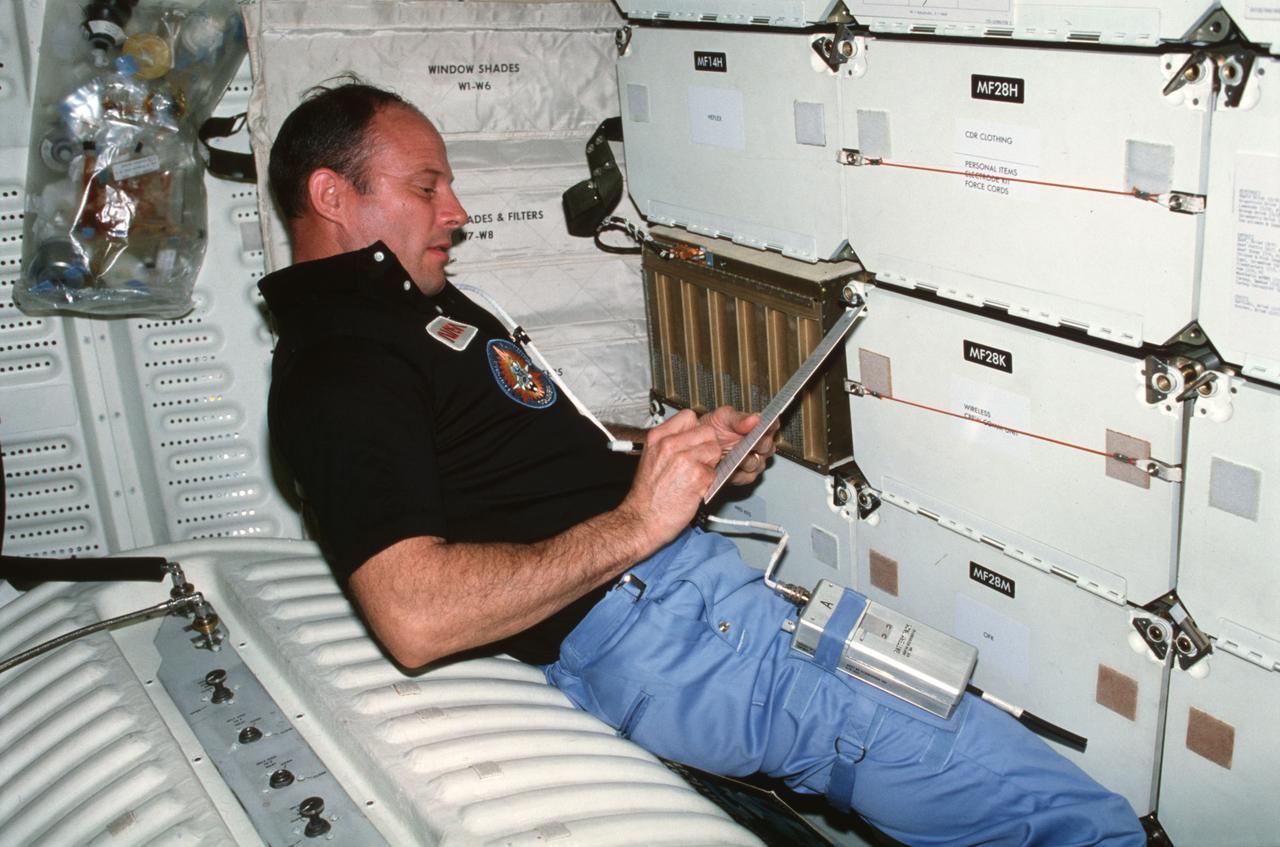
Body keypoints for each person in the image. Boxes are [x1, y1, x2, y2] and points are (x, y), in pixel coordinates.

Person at [259, 80, 1147, 846]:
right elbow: (414, 613)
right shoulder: (337, 367)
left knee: (974, 749)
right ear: (334, 193)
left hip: (688, 608)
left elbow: (509, 468)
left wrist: (677, 459)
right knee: (1058, 816)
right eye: (426, 185)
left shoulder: (400, 312)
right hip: (675, 637)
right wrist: (641, 520)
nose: (455, 210)